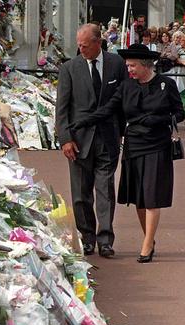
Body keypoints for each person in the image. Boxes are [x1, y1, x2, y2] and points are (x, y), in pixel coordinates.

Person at [73, 44, 185, 263]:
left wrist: (160, 119)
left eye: (132, 65)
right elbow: (108, 110)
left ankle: (146, 246)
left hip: (157, 145)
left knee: (152, 197)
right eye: (127, 65)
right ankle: (149, 238)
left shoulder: (166, 84)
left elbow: (179, 113)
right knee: (140, 198)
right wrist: (83, 122)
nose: (129, 69)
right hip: (134, 145)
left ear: (145, 66)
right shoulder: (126, 86)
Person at [55, 24, 128, 258]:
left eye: (85, 45)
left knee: (105, 189)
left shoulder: (117, 64)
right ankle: (87, 237)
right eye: (79, 45)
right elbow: (62, 109)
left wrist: (122, 131)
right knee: (80, 194)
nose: (81, 49)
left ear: (98, 43)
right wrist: (65, 139)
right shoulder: (69, 69)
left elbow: (123, 101)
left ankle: (105, 239)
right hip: (78, 141)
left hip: (108, 138)